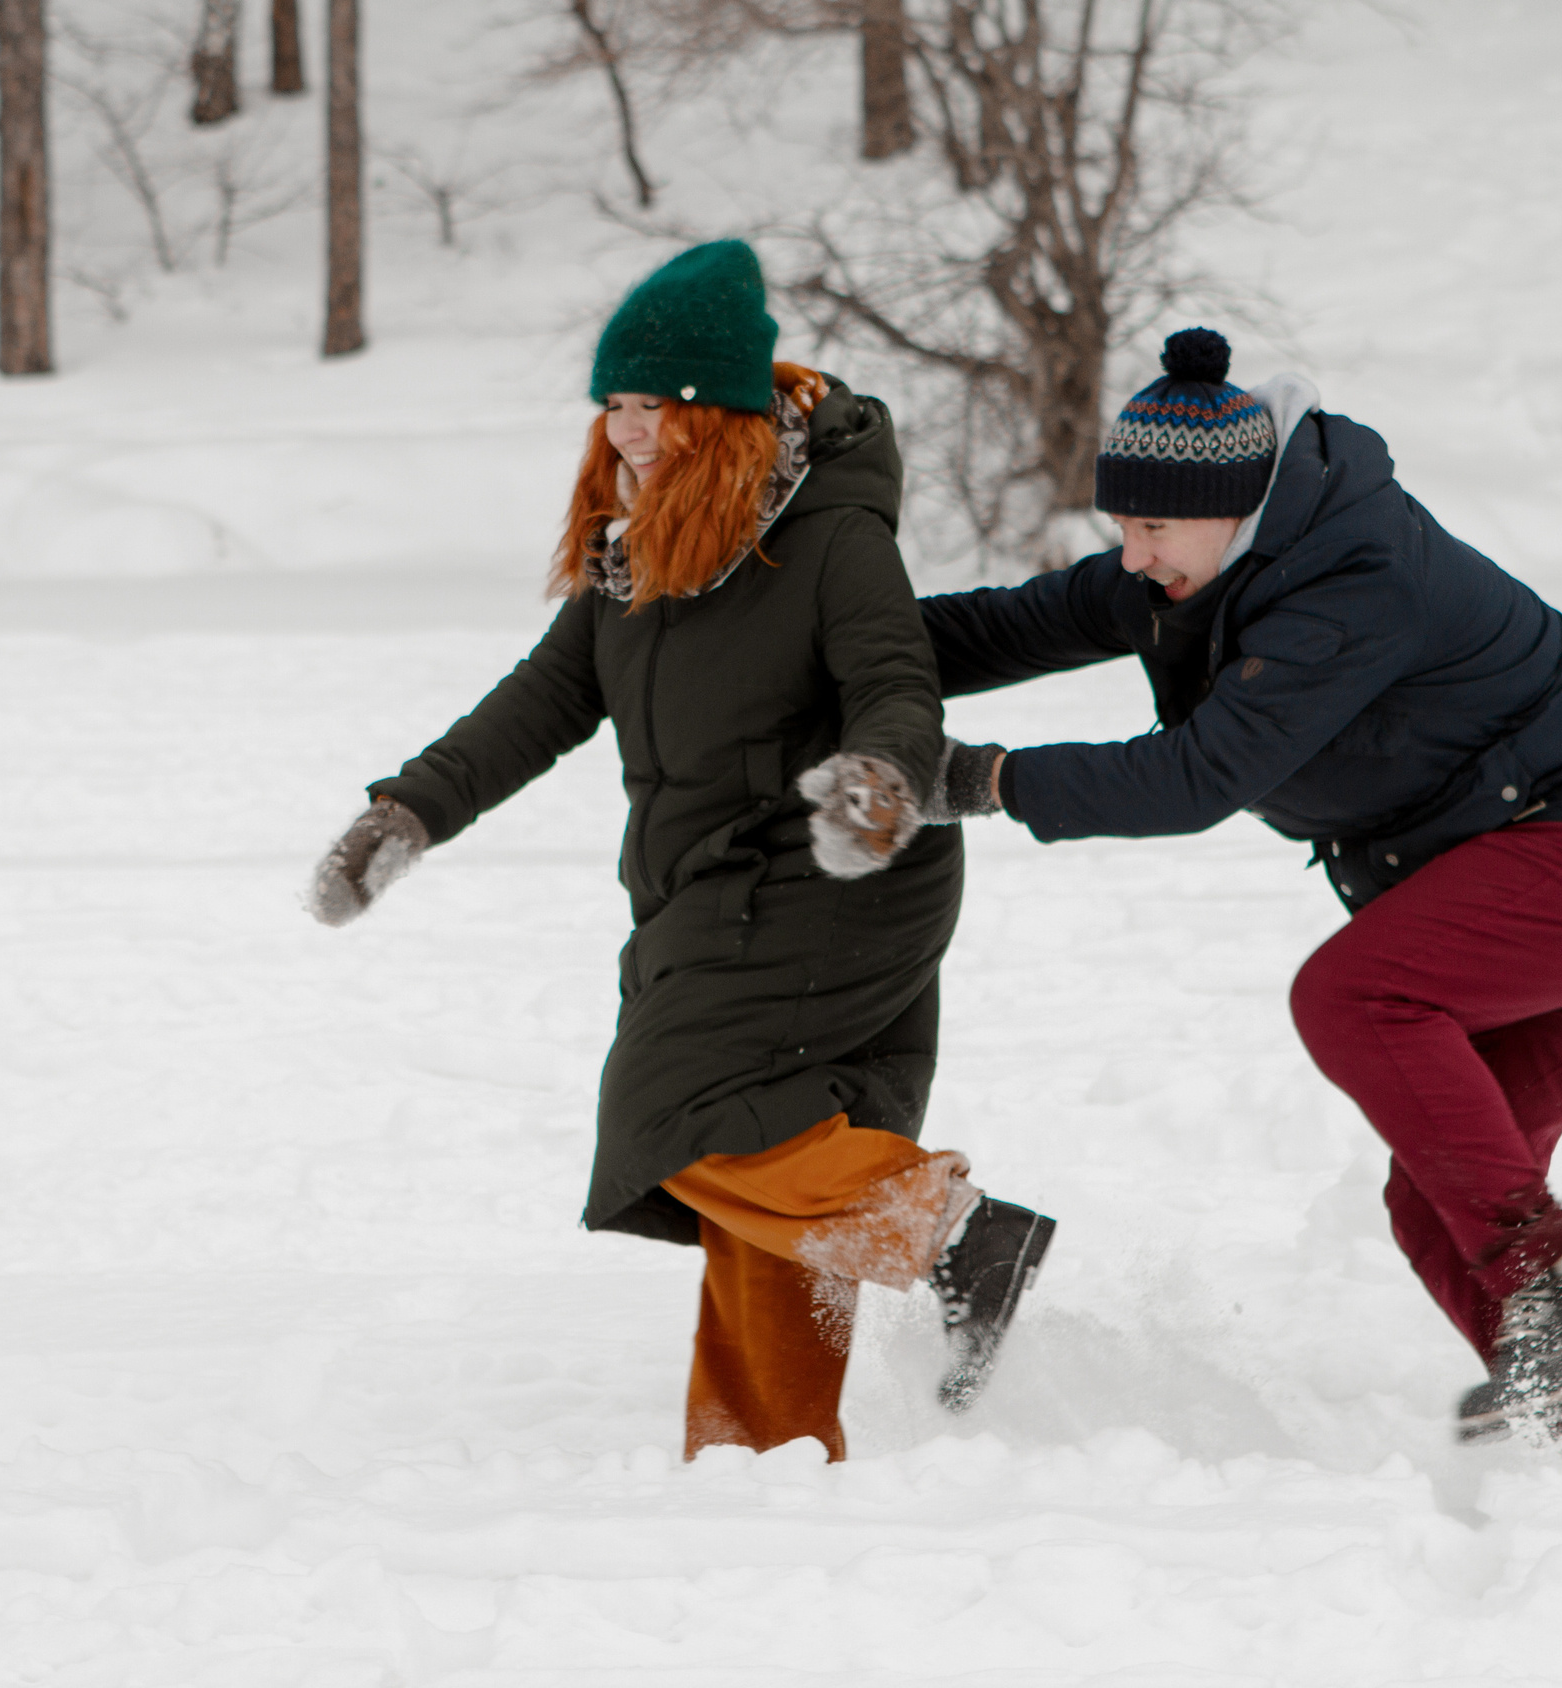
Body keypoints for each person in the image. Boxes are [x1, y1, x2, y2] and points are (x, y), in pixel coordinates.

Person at [912, 328, 1562, 1465]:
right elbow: (1002, 625)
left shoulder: (1349, 582)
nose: (1131, 555)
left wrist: (977, 779)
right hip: (1543, 859)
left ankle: (1560, 1291)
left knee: (1356, 996)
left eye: (1151, 529)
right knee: (1435, 1188)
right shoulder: (1197, 565)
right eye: (1121, 527)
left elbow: (1196, 777)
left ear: (1236, 509)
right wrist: (829, 638)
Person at [310, 241, 1056, 1462]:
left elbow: (894, 683)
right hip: (714, 883)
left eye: (646, 408)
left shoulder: (829, 538)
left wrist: (874, 782)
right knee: (771, 1150)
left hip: (841, 869)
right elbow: (538, 703)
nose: (623, 435)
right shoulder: (633, 554)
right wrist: (409, 812)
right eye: (612, 409)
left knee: (681, 1110)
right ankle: (762, 1454)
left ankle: (956, 1234)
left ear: (712, 414)